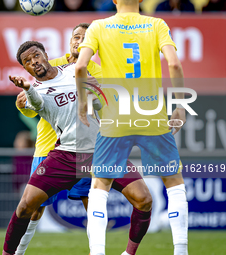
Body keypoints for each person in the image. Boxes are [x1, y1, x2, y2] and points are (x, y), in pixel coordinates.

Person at [15, 24, 152, 255]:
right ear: (69, 41)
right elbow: (30, 108)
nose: (78, 41)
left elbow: (106, 106)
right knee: (34, 208)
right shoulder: (53, 64)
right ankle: (17, 252)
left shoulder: (97, 72)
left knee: (92, 202)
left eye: (85, 38)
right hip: (48, 147)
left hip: (85, 148)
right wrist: (22, 105)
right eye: (75, 37)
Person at [75, 0, 188, 255]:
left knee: (100, 186)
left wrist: (83, 102)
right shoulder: (157, 24)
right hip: (152, 117)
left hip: (115, 119)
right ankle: (181, 251)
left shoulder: (98, 26)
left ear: (114, 0)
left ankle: (97, 252)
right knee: (174, 182)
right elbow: (175, 64)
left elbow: (81, 66)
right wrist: (179, 105)